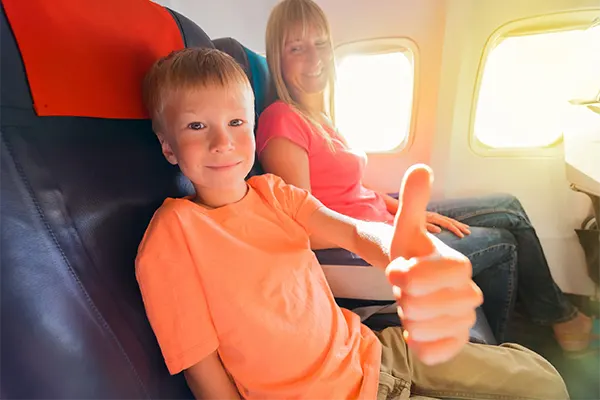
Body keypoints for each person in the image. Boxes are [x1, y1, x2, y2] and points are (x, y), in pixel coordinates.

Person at [135, 47, 568, 399]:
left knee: (544, 382)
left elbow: (350, 231)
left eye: (235, 123)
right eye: (196, 126)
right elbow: (201, 367)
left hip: (373, 352)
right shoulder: (173, 236)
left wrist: (399, 250)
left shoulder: (273, 193)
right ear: (169, 147)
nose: (222, 142)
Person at [256, 0, 592, 351]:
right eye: (296, 48)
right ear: (278, 59)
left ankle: (559, 319)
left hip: (382, 216)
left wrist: (399, 211)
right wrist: (389, 229)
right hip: (365, 247)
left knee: (507, 206)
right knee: (503, 242)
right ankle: (507, 348)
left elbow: (352, 189)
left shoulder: (322, 118)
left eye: (321, 43)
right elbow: (304, 228)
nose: (315, 59)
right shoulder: (281, 121)